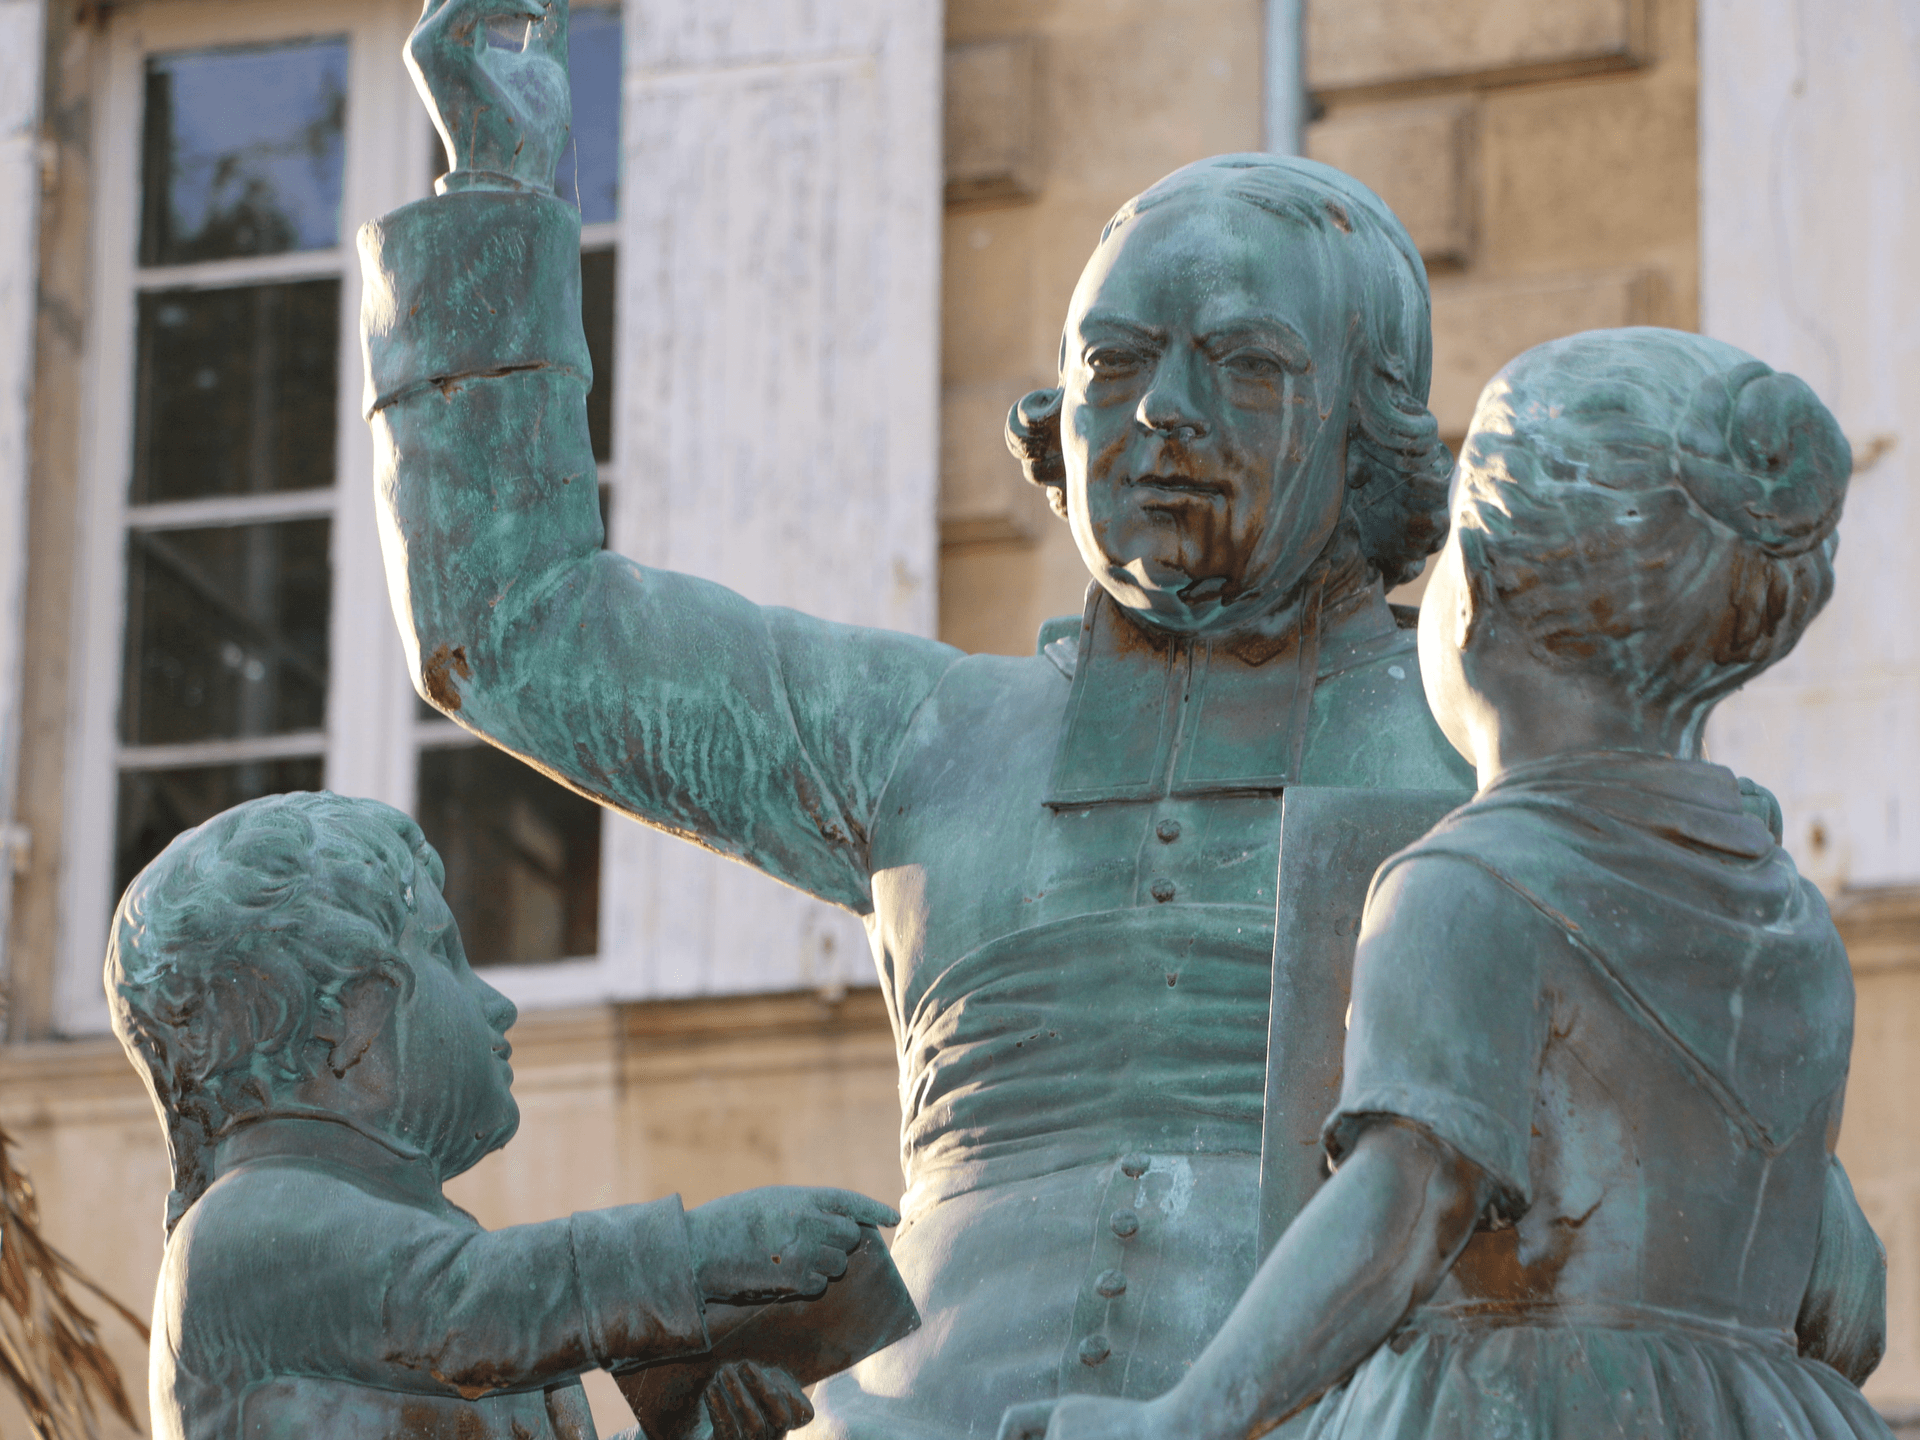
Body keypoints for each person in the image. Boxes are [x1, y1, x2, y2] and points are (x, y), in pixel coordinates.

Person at [363, 0, 1472, 1432]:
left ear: (1366, 427)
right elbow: (510, 627)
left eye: (1245, 365)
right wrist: (504, 185)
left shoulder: (1491, 750)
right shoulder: (926, 734)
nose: (1161, 416)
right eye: (1115, 364)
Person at [1004, 327, 1892, 1440]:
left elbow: (1403, 1206)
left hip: (1513, 1406)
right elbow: (1837, 1291)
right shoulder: (1786, 913)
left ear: (1477, 594)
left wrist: (1183, 1415)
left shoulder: (1467, 885)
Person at [104, 791, 900, 1440]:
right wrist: (715, 1251)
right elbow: (471, 1308)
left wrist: (692, 1433)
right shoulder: (247, 1230)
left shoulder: (427, 1250)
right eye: (447, 956)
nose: (498, 1004)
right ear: (351, 1018)